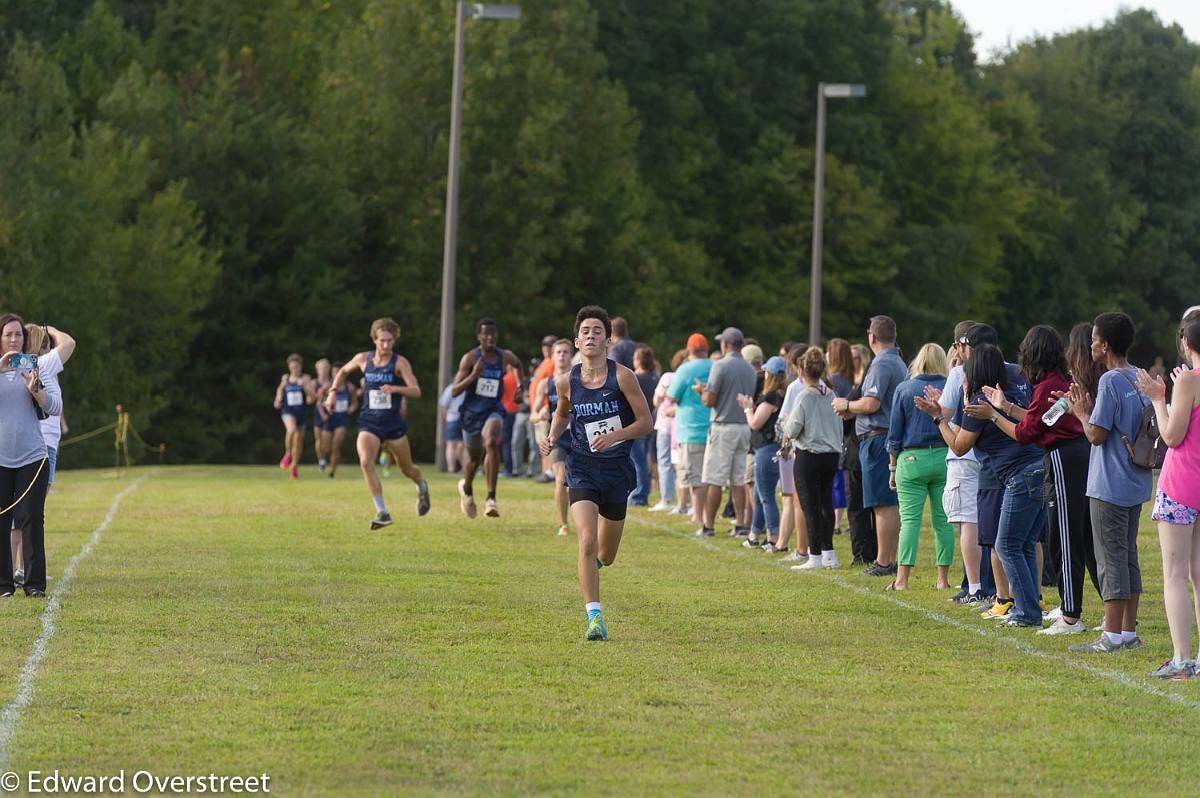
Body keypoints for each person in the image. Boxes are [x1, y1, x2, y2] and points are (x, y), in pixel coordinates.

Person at [541, 306, 652, 641]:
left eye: (597, 331)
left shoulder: (623, 377)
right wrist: (551, 436)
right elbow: (562, 415)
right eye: (585, 331)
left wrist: (614, 436)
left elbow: (646, 423)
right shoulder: (566, 381)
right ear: (577, 340)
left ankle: (594, 565)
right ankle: (595, 620)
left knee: (606, 555)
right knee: (586, 541)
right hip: (582, 469)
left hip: (616, 471)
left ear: (608, 339)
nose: (591, 336)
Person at [920, 344, 1046, 628]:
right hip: (1039, 468)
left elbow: (960, 446)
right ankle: (1029, 608)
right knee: (1024, 544)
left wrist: (939, 418)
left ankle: (1025, 612)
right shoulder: (1009, 394)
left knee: (1006, 544)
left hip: (1019, 475)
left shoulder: (978, 401)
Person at [981, 325, 1095, 635]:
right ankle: (1070, 606)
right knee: (1070, 536)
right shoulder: (1056, 382)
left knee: (1064, 537)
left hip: (1062, 458)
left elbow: (1024, 434)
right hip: (1074, 455)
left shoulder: (1047, 387)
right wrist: (1004, 406)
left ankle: (1071, 614)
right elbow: (1037, 421)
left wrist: (992, 416)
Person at [1065, 312, 1152, 654]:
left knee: (1110, 560)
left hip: (1109, 483)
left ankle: (1111, 636)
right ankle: (1128, 633)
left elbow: (1097, 435)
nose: (1090, 345)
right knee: (1128, 556)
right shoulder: (1138, 375)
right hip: (1135, 481)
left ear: (1104, 344)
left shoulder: (1110, 381)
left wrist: (1081, 413)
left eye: (1094, 339)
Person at [1138, 313, 1200, 678]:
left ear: (1185, 344)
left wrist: (1159, 399)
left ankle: (1182, 659)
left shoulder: (1188, 380)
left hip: (1180, 485)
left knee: (1175, 575)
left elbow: (1171, 436)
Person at [328, 318, 429, 530]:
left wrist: (396, 389)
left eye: (390, 341)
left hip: (393, 424)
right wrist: (332, 393)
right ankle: (382, 512)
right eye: (382, 340)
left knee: (407, 468)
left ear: (394, 340)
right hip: (369, 422)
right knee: (366, 462)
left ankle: (421, 486)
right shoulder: (363, 359)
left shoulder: (400, 363)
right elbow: (343, 372)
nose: (385, 345)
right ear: (374, 339)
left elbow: (416, 390)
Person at [833, 316, 905, 576]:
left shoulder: (882, 363)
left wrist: (847, 406)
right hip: (885, 436)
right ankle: (889, 558)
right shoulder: (897, 360)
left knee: (882, 504)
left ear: (871, 337)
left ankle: (883, 562)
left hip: (876, 439)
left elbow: (872, 404)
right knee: (889, 503)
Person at [0, 313, 59, 597]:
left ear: (25, 340)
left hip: (33, 460)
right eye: (8, 335)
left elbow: (55, 407)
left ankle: (34, 585)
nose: (13, 339)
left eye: (18, 335)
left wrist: (36, 391)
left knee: (31, 518)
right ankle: (3, 585)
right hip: (1, 460)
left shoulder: (36, 366)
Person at [885, 343, 952, 591]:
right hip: (945, 456)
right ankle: (942, 579)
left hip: (912, 459)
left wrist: (892, 467)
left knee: (910, 521)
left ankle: (902, 579)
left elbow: (895, 434)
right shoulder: (949, 387)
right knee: (942, 521)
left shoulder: (905, 389)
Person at [11, 323, 73, 587]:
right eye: (45, 342)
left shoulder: (40, 366)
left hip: (46, 443)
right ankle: (20, 567)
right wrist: (52, 329)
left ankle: (21, 567)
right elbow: (69, 342)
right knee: (27, 511)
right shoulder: (42, 362)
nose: (51, 346)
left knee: (27, 510)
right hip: (41, 445)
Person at [452, 318, 524, 518]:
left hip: (494, 410)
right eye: (486, 334)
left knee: (491, 441)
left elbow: (518, 365)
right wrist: (473, 376)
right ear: (479, 336)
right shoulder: (470, 358)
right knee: (473, 462)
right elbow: (455, 391)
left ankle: (491, 499)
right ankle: (466, 488)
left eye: (494, 334)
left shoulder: (504, 356)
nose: (490, 338)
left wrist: (520, 386)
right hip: (471, 414)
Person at [939, 321, 987, 605]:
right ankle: (986, 584)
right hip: (992, 456)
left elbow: (943, 410)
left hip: (964, 452)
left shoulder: (960, 372)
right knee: (988, 523)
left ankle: (974, 586)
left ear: (961, 346)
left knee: (968, 522)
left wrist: (951, 375)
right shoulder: (1005, 369)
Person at [785, 347, 844, 570]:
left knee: (810, 506)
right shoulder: (832, 395)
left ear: (801, 370)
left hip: (809, 456)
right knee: (826, 504)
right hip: (830, 455)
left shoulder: (804, 397)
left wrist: (785, 424)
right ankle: (829, 553)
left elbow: (791, 429)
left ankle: (815, 554)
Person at [696, 328, 758, 538]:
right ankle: (741, 524)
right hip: (743, 426)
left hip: (723, 427)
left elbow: (710, 400)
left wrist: (702, 392)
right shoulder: (749, 368)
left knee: (714, 478)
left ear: (725, 344)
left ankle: (708, 525)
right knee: (738, 479)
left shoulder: (720, 365)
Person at [739, 356, 786, 548]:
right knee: (759, 494)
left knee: (766, 495)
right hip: (768, 448)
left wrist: (748, 408)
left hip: (767, 448)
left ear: (770, 375)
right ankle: (754, 534)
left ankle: (773, 537)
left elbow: (755, 422)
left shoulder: (771, 396)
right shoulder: (781, 394)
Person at [668, 334, 713, 528]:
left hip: (691, 429)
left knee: (696, 477)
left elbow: (672, 396)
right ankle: (702, 514)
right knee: (709, 476)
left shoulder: (684, 369)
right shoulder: (714, 366)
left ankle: (698, 515)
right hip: (713, 427)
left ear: (689, 350)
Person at [533, 338, 575, 536]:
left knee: (580, 482)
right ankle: (563, 524)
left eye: (566, 352)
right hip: (556, 438)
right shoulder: (545, 383)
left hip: (578, 436)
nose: (562, 355)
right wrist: (539, 414)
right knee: (561, 477)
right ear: (552, 356)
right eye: (558, 352)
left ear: (571, 355)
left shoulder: (578, 380)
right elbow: (532, 413)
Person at [650, 350, 685, 512]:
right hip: (682, 425)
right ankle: (685, 501)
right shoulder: (688, 378)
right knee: (681, 463)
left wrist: (665, 393)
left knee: (664, 461)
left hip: (665, 424)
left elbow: (656, 401)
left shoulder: (667, 377)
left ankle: (667, 499)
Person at [826, 339, 855, 534]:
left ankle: (835, 523)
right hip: (847, 436)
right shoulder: (849, 380)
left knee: (836, 482)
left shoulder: (834, 380)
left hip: (836, 437)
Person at [273, 354, 315, 480]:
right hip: (288, 411)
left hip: (301, 413)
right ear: (289, 367)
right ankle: (287, 453)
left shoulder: (305, 378)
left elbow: (311, 398)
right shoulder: (285, 379)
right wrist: (278, 399)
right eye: (292, 367)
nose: (294, 370)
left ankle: (294, 466)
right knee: (291, 430)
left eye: (297, 367)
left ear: (300, 367)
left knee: (298, 441)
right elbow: (280, 391)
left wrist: (304, 387)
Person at [629, 346, 659, 506]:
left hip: (637, 424)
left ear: (639, 361)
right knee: (646, 461)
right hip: (652, 423)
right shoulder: (655, 377)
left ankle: (640, 495)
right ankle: (642, 492)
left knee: (637, 462)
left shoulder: (635, 378)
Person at [319, 362, 358, 479]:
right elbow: (318, 402)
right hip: (329, 419)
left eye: (339, 372)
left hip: (342, 419)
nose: (336, 374)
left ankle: (332, 472)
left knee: (336, 446)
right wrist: (323, 414)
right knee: (325, 448)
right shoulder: (327, 387)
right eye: (334, 372)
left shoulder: (349, 387)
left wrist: (350, 409)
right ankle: (323, 460)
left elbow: (355, 403)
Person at [439, 383, 466, 473]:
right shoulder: (468, 387)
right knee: (462, 444)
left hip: (453, 417)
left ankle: (451, 468)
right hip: (465, 418)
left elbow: (444, 406)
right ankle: (464, 467)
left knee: (451, 444)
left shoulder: (450, 388)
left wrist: (447, 417)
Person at [312, 359, 334, 471]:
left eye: (326, 368)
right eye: (322, 368)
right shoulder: (314, 383)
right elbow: (311, 399)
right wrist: (319, 392)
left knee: (327, 443)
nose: (324, 371)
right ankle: (321, 459)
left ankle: (326, 458)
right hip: (318, 414)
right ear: (317, 370)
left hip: (330, 414)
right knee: (318, 440)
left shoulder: (333, 382)